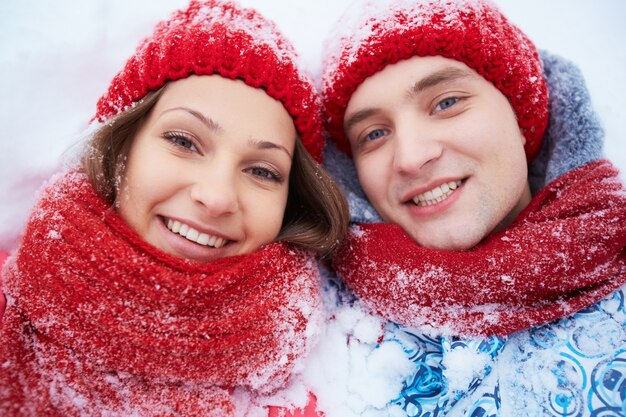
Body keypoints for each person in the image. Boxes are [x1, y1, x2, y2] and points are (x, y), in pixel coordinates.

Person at [0, 1, 349, 416]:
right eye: (184, 141)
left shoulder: (335, 370)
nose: (216, 197)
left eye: (262, 171)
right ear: (123, 142)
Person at [287, 0, 626, 416]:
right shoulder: (309, 318)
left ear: (521, 115)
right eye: (374, 133)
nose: (411, 157)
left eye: (446, 103)